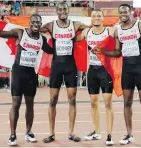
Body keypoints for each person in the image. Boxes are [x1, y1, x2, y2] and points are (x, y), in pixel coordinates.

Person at [93, 4, 141, 147]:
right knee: (127, 102)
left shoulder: (140, 26)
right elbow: (117, 52)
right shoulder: (117, 31)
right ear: (119, 14)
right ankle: (129, 135)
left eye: (125, 12)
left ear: (130, 13)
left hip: (140, 69)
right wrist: (101, 51)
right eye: (121, 13)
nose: (123, 15)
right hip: (127, 70)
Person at [0, 14, 54, 146]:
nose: (36, 24)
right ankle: (12, 135)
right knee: (16, 103)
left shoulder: (42, 39)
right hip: (19, 73)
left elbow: (52, 50)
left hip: (31, 75)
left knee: (30, 105)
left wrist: (61, 39)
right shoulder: (20, 32)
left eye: (38, 22)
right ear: (29, 23)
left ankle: (28, 132)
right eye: (34, 22)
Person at [39, 2, 88, 143]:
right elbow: (34, 30)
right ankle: (51, 133)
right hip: (56, 67)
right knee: (52, 100)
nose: (62, 11)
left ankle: (71, 132)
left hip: (70, 67)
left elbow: (93, 29)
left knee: (72, 99)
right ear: (56, 11)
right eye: (60, 9)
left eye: (64, 9)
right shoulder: (50, 25)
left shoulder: (76, 24)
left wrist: (85, 34)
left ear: (68, 10)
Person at [76, 9, 115, 146]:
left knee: (108, 103)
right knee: (93, 102)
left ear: (103, 18)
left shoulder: (110, 31)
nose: (96, 18)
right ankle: (97, 131)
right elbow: (72, 39)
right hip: (92, 70)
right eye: (94, 16)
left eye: (99, 16)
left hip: (105, 71)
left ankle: (109, 135)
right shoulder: (87, 32)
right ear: (91, 19)